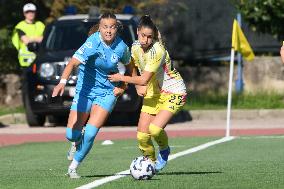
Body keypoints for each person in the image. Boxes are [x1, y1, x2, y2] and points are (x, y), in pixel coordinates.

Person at [52, 12, 130, 178]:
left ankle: (73, 167)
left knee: (91, 133)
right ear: (100, 28)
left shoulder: (122, 46)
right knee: (71, 134)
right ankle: (75, 141)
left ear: (116, 28)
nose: (108, 31)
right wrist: (62, 83)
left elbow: (131, 67)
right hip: (85, 90)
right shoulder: (92, 42)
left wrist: (123, 84)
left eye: (112, 27)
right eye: (105, 27)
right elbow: (72, 63)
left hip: (107, 92)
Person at [108, 15, 187, 173]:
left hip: (174, 92)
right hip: (153, 93)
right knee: (142, 137)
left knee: (155, 130)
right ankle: (149, 163)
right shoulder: (136, 46)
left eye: (150, 37)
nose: (146, 40)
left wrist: (121, 78)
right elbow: (134, 66)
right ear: (137, 32)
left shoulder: (158, 51)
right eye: (143, 35)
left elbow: (143, 79)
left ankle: (164, 150)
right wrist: (137, 87)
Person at [11, 3, 45, 68]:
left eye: (32, 11)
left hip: (39, 59)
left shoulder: (40, 25)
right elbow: (26, 40)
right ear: (24, 14)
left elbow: (45, 39)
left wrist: (31, 38)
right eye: (28, 12)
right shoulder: (20, 26)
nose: (30, 14)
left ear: (35, 12)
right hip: (26, 61)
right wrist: (38, 38)